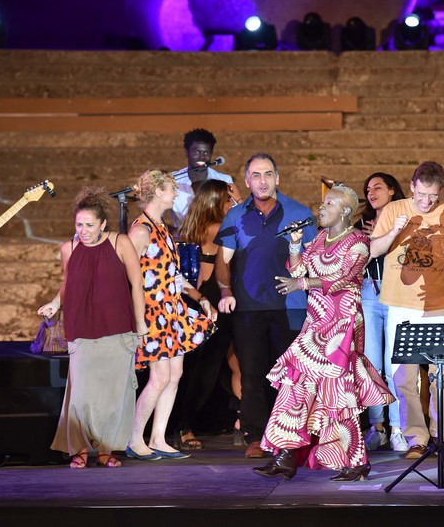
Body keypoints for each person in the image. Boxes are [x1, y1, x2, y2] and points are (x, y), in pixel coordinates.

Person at [253, 184, 394, 482]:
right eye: (322, 202)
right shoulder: (318, 237)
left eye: (329, 203)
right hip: (315, 325)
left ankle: (356, 462)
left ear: (344, 211)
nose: (321, 207)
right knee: (295, 386)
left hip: (341, 326)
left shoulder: (357, 241)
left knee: (337, 393)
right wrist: (294, 244)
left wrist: (303, 285)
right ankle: (285, 455)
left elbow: (345, 278)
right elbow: (296, 270)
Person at [215, 153, 316, 458]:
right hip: (249, 307)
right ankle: (256, 437)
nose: (262, 180)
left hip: (293, 306)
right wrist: (224, 290)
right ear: (247, 181)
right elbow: (223, 260)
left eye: (268, 174)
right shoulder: (235, 216)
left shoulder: (299, 212)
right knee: (253, 373)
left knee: (292, 375)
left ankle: (288, 435)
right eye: (256, 175)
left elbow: (314, 260)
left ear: (277, 178)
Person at [370, 161, 444, 459]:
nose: (426, 202)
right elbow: (374, 250)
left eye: (433, 196)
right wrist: (396, 231)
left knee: (443, 375)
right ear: (413, 185)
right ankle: (416, 436)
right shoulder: (393, 211)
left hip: (440, 305)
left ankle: (442, 436)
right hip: (401, 306)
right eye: (421, 194)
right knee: (404, 376)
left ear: (440, 191)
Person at [38, 186, 146, 468]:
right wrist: (54, 303)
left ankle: (108, 449)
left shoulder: (120, 243)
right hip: (81, 326)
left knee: (114, 395)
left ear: (102, 224)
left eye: (89, 225)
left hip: (118, 327)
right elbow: (68, 284)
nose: (83, 230)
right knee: (81, 395)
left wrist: (141, 324)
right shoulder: (69, 248)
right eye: (79, 225)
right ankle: (81, 449)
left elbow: (136, 284)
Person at [122, 169, 217, 460]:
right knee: (160, 376)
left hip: (171, 308)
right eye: (172, 189)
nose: (176, 193)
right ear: (158, 193)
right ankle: (134, 438)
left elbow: (172, 274)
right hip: (152, 311)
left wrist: (199, 298)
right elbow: (125, 273)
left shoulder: (161, 227)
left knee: (175, 374)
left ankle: (158, 437)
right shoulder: (141, 230)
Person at [168, 179, 238, 449]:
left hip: (188, 304)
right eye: (228, 200)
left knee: (190, 370)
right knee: (205, 371)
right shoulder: (219, 229)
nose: (231, 205)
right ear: (217, 203)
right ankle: (185, 425)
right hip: (212, 305)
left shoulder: (187, 230)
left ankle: (178, 424)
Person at [355, 172, 408, 453]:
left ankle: (398, 427)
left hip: (398, 294)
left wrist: (388, 234)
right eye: (368, 188)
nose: (371, 192)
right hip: (370, 292)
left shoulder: (407, 219)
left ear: (392, 191)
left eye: (378, 187)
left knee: (395, 365)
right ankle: (377, 427)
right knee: (372, 364)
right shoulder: (360, 224)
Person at [168, 128, 241, 229]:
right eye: (197, 152)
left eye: (206, 153)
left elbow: (233, 214)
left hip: (214, 241)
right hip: (181, 241)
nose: (202, 157)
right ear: (186, 152)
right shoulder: (171, 180)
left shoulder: (224, 180)